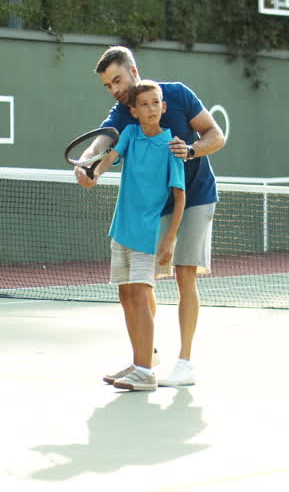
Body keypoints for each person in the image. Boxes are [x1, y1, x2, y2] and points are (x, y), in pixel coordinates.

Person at [77, 46, 224, 388]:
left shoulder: (177, 95)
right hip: (155, 207)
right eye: (107, 85)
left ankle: (185, 362)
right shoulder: (123, 114)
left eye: (117, 79)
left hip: (196, 195)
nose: (114, 88)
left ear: (133, 69)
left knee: (185, 273)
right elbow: (98, 145)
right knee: (145, 284)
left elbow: (216, 136)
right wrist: (85, 167)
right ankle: (146, 356)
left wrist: (190, 150)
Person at [91, 81, 185, 392]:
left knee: (143, 297)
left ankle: (146, 371)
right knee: (126, 296)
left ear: (164, 107)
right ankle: (139, 362)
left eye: (155, 103)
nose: (150, 108)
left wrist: (170, 238)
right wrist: (94, 172)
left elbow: (179, 196)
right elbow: (109, 157)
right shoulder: (129, 133)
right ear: (133, 110)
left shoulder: (172, 146)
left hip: (148, 235)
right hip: (121, 231)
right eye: (143, 104)